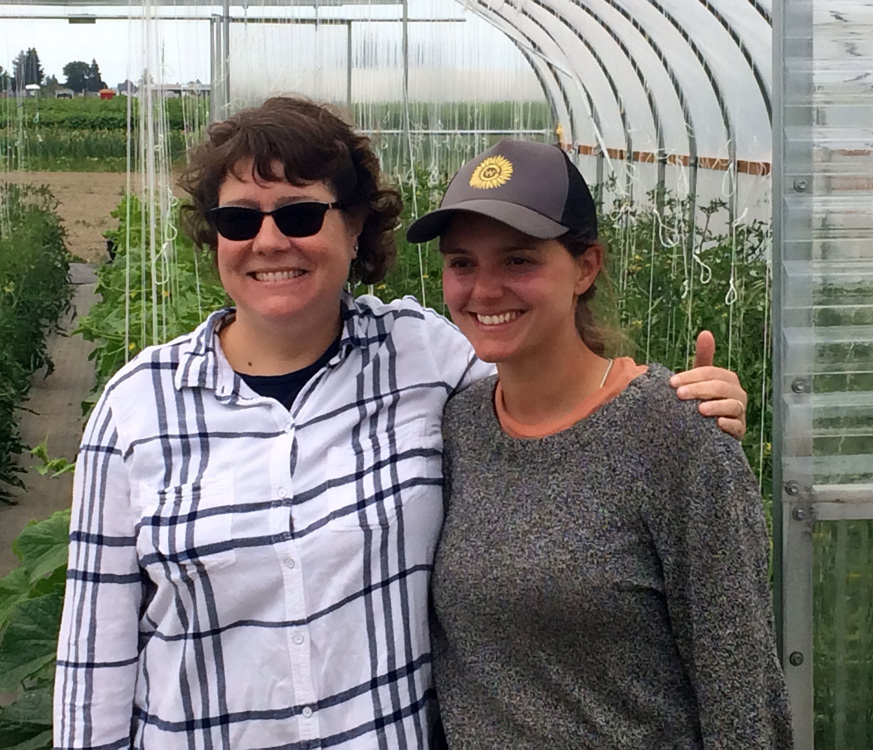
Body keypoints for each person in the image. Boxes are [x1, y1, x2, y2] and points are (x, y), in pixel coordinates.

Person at [54, 98, 750, 749]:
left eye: (299, 215)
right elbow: (95, 663)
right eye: (238, 220)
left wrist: (677, 402)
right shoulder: (139, 405)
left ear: (355, 227)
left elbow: (555, 395)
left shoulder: (422, 356)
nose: (267, 241)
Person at [407, 139, 792, 748]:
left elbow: (739, 688)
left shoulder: (675, 434)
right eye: (462, 263)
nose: (483, 290)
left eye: (518, 261)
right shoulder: (459, 428)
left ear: (585, 267)